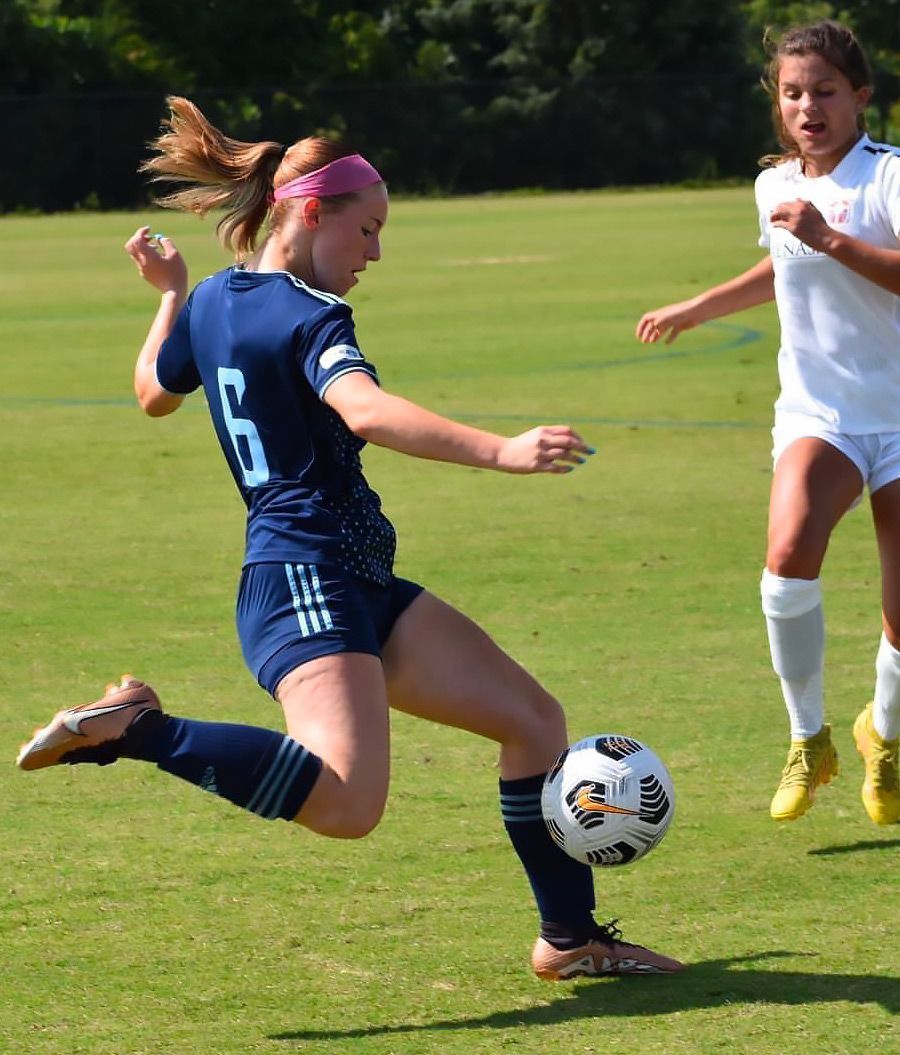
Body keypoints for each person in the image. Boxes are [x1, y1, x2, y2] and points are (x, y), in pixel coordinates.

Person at [16, 96, 683, 978]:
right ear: (309, 211)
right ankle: (139, 729)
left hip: (354, 578)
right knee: (346, 801)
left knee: (532, 720)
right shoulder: (308, 314)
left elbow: (153, 390)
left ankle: (569, 939)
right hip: (305, 577)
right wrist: (505, 450)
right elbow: (362, 410)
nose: (375, 254)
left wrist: (171, 297)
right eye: (366, 231)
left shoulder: (217, 300)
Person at [636, 21, 900, 825]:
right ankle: (806, 736)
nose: (808, 106)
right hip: (822, 411)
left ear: (859, 96)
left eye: (824, 91)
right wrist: (701, 305)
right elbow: (781, 261)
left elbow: (844, 252)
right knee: (787, 557)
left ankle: (883, 737)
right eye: (793, 93)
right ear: (777, 103)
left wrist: (832, 238)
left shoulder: (887, 178)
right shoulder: (773, 185)